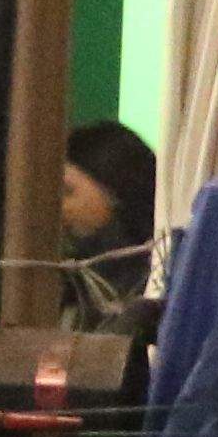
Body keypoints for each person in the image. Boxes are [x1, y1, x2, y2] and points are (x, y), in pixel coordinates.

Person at [57, 122, 156, 337]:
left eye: (68, 192)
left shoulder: (155, 281)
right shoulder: (68, 284)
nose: (59, 207)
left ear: (114, 192)